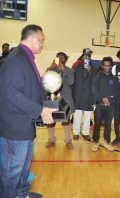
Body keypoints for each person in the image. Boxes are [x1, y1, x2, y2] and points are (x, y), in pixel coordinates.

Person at [0, 24, 56, 198]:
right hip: (14, 127)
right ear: (32, 38)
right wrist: (39, 109)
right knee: (12, 170)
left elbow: (30, 88)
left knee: (23, 167)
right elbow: (11, 93)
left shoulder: (26, 58)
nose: (42, 44)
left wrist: (50, 102)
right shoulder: (16, 59)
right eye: (41, 40)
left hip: (25, 124)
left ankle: (22, 193)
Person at [45, 52, 75, 149]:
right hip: (52, 99)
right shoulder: (51, 70)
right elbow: (43, 81)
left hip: (65, 100)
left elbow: (71, 82)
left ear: (66, 60)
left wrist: (64, 72)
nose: (60, 58)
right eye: (58, 57)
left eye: (62, 57)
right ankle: (51, 139)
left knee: (65, 121)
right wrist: (50, 68)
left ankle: (68, 141)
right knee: (51, 121)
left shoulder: (70, 70)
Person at [92, 57, 118, 152]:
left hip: (111, 106)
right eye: (105, 65)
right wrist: (102, 99)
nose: (107, 67)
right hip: (99, 105)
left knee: (108, 125)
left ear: (111, 66)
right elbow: (95, 90)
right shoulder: (97, 77)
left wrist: (110, 99)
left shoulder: (114, 78)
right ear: (102, 66)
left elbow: (116, 91)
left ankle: (107, 142)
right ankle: (95, 142)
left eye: (109, 65)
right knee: (97, 124)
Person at [72, 48, 96, 141]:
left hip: (89, 97)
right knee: (77, 116)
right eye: (85, 55)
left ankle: (86, 133)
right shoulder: (76, 68)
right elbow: (72, 82)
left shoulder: (94, 69)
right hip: (78, 96)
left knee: (87, 116)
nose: (87, 57)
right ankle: (76, 133)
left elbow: (96, 82)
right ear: (82, 57)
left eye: (89, 56)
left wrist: (91, 72)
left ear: (90, 58)